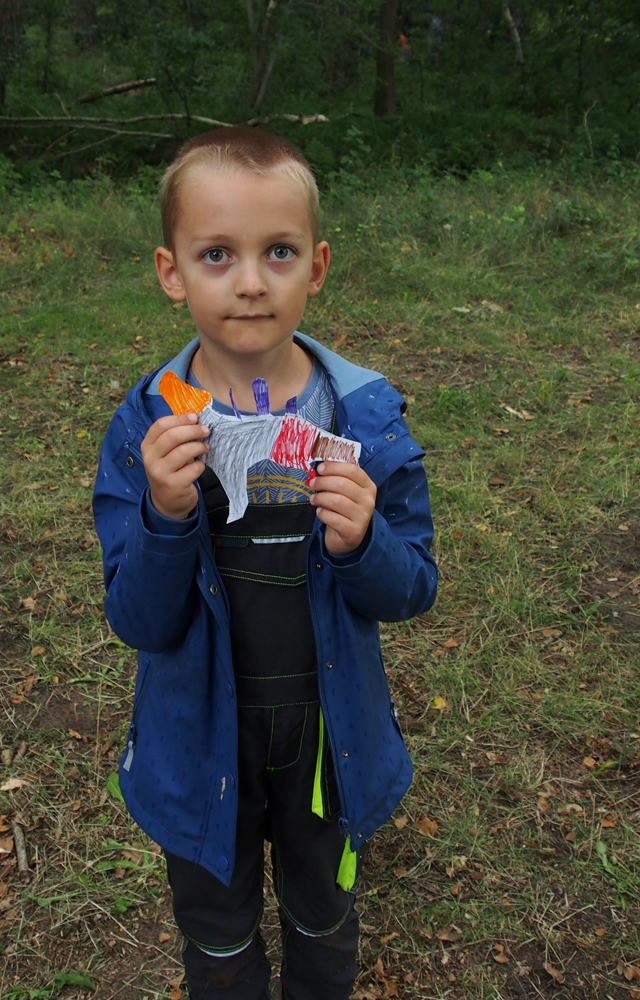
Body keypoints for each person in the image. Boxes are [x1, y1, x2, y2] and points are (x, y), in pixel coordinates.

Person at [92, 127, 437, 1000]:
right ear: (172, 271)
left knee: (325, 918)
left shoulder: (364, 419)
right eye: (217, 254)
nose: (250, 281)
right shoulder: (146, 432)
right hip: (198, 744)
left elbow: (415, 586)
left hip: (330, 744)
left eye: (277, 251)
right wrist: (167, 517)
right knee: (216, 935)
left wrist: (365, 543)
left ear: (316, 267)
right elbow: (137, 619)